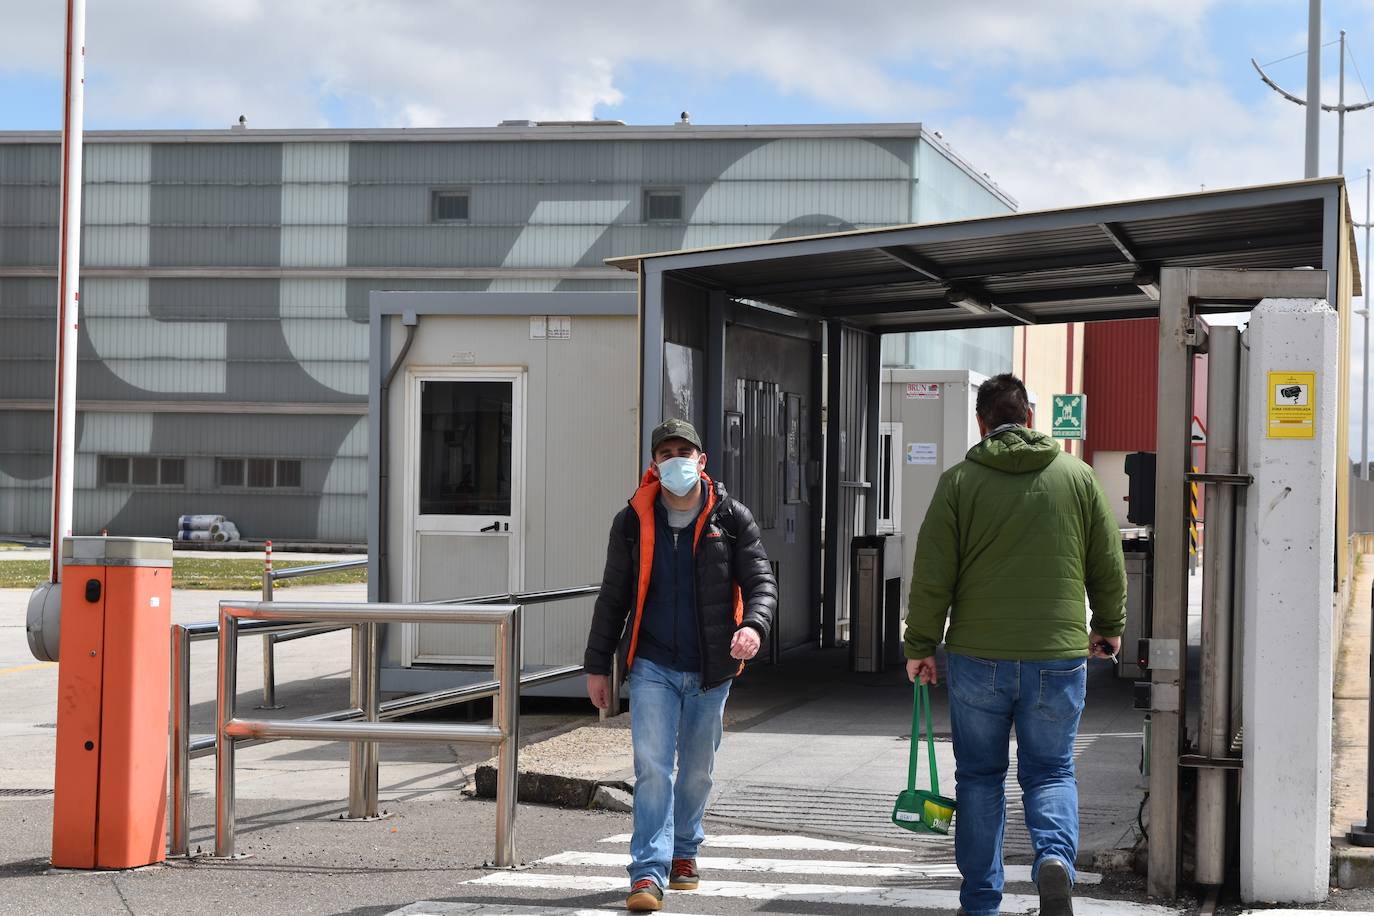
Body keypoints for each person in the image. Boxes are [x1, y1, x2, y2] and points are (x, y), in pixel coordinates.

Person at [903, 373, 1126, 916]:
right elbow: (1107, 560)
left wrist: (921, 644)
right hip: (1057, 654)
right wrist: (1108, 625)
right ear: (1029, 417)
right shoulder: (1077, 475)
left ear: (981, 422)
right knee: (1050, 770)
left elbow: (934, 572)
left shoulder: (959, 481)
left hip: (979, 656)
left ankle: (980, 899)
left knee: (980, 776)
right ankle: (1053, 860)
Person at [584, 418, 777, 913]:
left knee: (695, 772)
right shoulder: (632, 520)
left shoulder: (730, 517)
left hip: (712, 668)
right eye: (666, 452)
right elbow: (613, 598)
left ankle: (685, 849)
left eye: (683, 452)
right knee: (652, 769)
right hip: (652, 664)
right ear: (654, 464)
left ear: (701, 460)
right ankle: (647, 872)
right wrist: (596, 666)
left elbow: (761, 583)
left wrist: (753, 626)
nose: (675, 460)